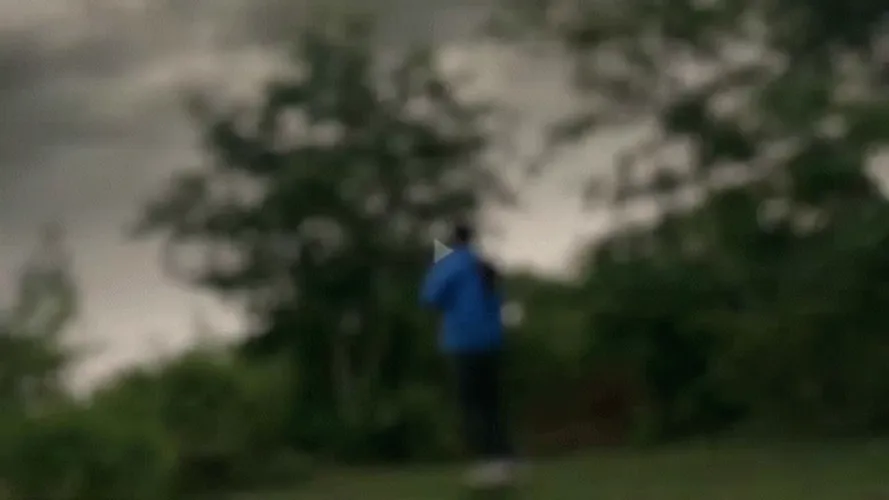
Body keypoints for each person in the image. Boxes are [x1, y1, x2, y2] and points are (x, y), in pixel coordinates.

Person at [420, 222, 515, 487]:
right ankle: (505, 458)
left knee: (472, 404)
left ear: (452, 239)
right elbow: (498, 299)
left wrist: (432, 267)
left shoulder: (449, 264)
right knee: (493, 402)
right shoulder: (484, 264)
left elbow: (429, 298)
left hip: (463, 342)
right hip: (492, 341)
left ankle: (488, 462)